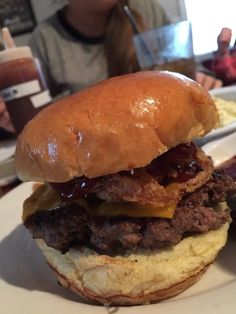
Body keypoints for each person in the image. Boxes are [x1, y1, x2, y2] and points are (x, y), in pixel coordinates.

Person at [0, 0, 222, 132]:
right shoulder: (46, 39)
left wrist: (199, 78)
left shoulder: (147, 10)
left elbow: (178, 71)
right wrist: (10, 120)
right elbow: (39, 116)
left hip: (174, 136)